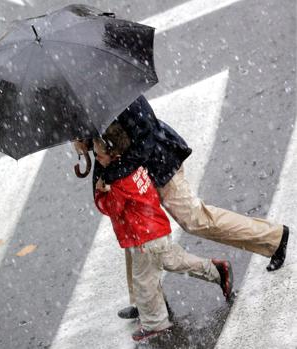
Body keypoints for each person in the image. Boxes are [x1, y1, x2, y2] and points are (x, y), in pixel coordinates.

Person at [83, 95, 290, 319]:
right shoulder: (81, 101)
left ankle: (273, 238)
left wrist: (113, 174)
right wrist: (85, 144)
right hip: (130, 171)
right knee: (134, 230)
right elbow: (104, 143)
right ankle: (147, 302)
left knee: (196, 220)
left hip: (159, 165)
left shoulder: (118, 92)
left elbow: (147, 137)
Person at [90, 136, 233, 341]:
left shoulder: (118, 180)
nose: (97, 158)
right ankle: (216, 270)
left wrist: (100, 194)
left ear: (114, 156)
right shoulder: (134, 167)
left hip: (143, 238)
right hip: (156, 228)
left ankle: (155, 323)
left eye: (99, 155)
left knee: (144, 281)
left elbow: (111, 208)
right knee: (175, 261)